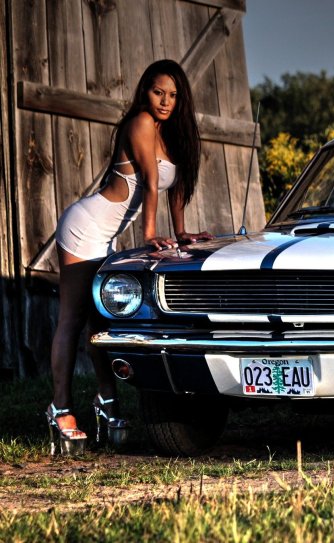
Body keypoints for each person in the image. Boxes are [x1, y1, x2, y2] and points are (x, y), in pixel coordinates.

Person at [46, 59, 213, 455]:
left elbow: (174, 188)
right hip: (85, 226)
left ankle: (106, 403)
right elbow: (152, 183)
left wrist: (180, 232)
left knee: (101, 322)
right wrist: (150, 235)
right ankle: (60, 409)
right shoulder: (139, 122)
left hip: (107, 236)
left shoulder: (170, 133)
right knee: (72, 319)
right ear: (145, 91)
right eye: (158, 92)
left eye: (173, 95)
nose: (165, 101)